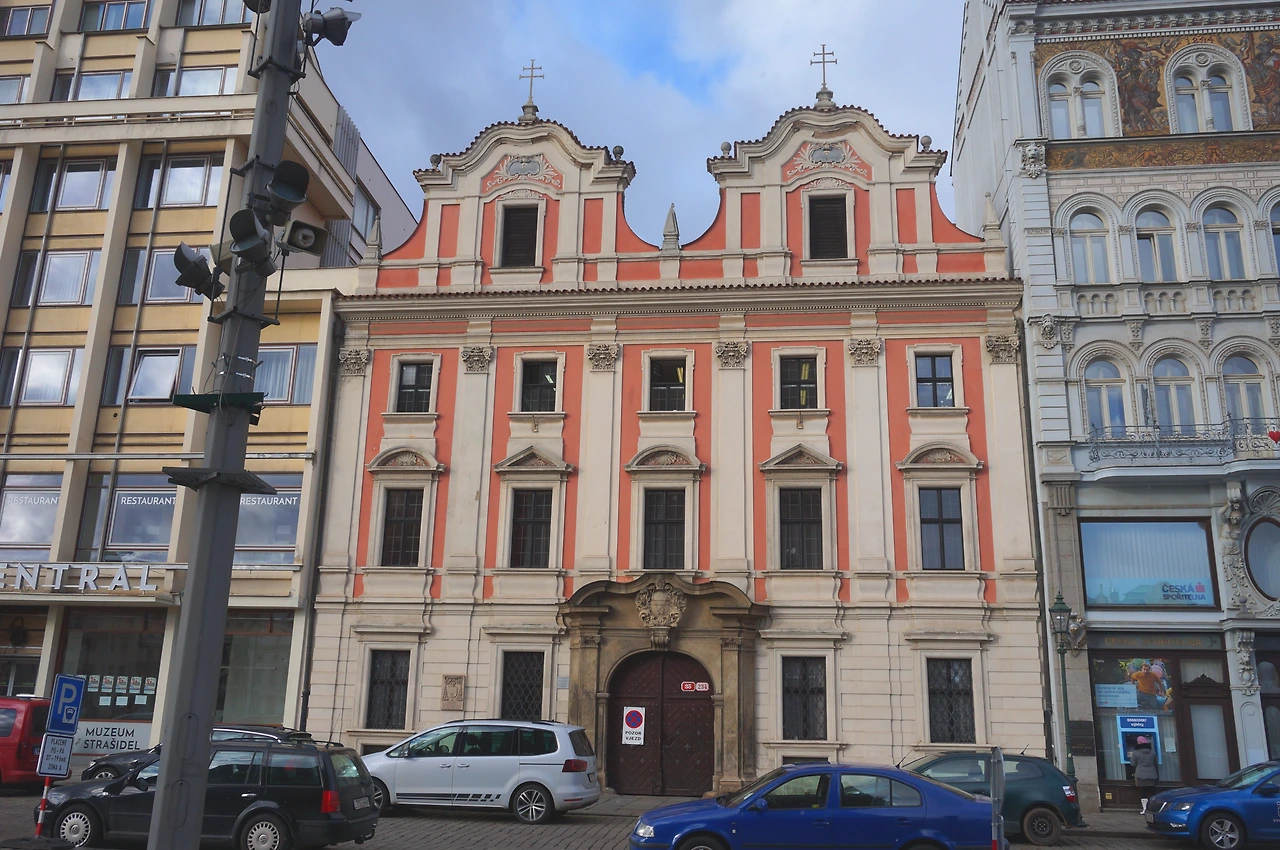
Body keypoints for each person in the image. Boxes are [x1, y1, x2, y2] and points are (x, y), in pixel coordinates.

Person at [1130, 736, 1159, 813]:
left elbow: (1133, 764)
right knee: (1152, 791)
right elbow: (1156, 763)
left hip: (1140, 774)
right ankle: (1153, 808)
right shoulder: (1152, 752)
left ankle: (1145, 809)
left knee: (1143, 792)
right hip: (1152, 774)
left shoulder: (1135, 753)